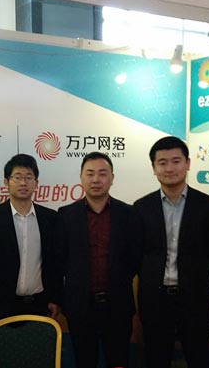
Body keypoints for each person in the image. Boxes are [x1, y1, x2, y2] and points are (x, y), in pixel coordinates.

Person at [134, 136, 209, 368]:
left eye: (176, 161)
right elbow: (135, 252)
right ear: (154, 167)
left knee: (198, 356)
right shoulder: (141, 207)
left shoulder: (206, 205)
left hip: (194, 295)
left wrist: (194, 274)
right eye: (162, 162)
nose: (169, 168)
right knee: (156, 357)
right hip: (155, 298)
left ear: (188, 163)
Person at [54, 152, 141, 368]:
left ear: (112, 178)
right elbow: (59, 260)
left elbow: (135, 257)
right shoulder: (66, 215)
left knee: (119, 361)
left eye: (102, 174)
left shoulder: (129, 214)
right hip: (80, 306)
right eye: (90, 173)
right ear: (81, 177)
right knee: (85, 361)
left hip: (118, 304)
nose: (96, 179)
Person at [0, 153, 58, 335]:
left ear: (36, 183)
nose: (23, 183)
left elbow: (54, 263)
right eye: (17, 177)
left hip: (39, 306)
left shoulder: (50, 218)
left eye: (28, 177)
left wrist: (54, 299)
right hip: (0, 308)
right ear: (6, 182)